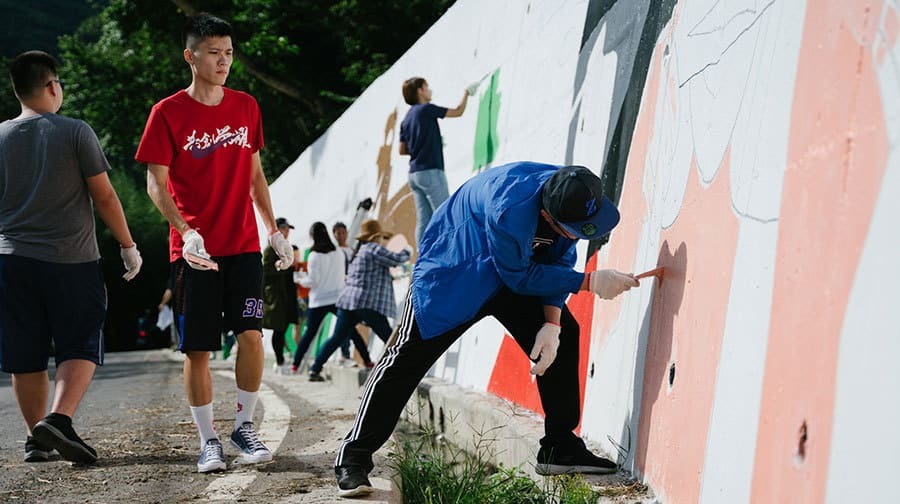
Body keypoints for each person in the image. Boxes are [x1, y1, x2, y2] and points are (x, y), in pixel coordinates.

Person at [331, 162, 639, 496]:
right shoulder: (509, 206)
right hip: (454, 275)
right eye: (571, 228)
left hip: (512, 276)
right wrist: (589, 282)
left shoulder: (571, 194)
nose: (578, 233)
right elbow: (519, 275)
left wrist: (552, 325)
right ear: (548, 215)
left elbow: (557, 260)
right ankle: (354, 456)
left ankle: (559, 447)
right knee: (403, 362)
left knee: (568, 331)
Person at [135, 13, 293, 474]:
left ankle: (244, 426)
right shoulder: (167, 112)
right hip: (195, 252)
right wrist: (186, 231)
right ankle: (208, 441)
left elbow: (255, 174)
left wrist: (274, 230)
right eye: (213, 53)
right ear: (191, 55)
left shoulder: (246, 106)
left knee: (251, 335)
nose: (223, 61)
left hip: (242, 244)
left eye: (228, 53)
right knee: (198, 349)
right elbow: (155, 184)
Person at [0, 51, 142, 464]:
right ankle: (59, 420)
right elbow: (104, 195)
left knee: (24, 352)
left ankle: (35, 439)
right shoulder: (75, 131)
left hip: (10, 260)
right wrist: (128, 246)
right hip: (72, 260)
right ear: (51, 86)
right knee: (80, 340)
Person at [308, 219, 411, 383]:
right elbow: (397, 259)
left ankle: (315, 369)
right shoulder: (373, 249)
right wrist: (407, 249)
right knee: (388, 336)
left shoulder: (359, 251)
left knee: (337, 337)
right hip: (365, 303)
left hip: (347, 301)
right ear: (376, 237)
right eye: (380, 237)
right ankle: (407, 367)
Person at [399, 77, 478, 245]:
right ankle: (454, 248)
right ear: (420, 90)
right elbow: (458, 111)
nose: (429, 90)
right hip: (430, 171)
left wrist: (420, 144)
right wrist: (466, 93)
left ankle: (422, 256)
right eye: (426, 86)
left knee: (424, 219)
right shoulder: (426, 109)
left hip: (414, 174)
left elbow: (402, 150)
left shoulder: (406, 120)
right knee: (445, 212)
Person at [290, 222, 369, 373]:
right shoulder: (339, 252)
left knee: (309, 334)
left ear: (313, 236)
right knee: (351, 330)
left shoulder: (314, 255)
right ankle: (367, 360)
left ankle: (295, 364)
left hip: (319, 300)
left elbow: (313, 281)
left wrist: (299, 279)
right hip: (338, 298)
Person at [263, 218, 299, 373]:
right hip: (277, 296)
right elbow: (266, 271)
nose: (287, 232)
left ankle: (282, 360)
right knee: (279, 329)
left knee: (283, 328)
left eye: (287, 229)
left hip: (287, 294)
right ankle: (280, 360)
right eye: (284, 228)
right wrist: (282, 267)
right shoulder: (271, 249)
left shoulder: (286, 248)